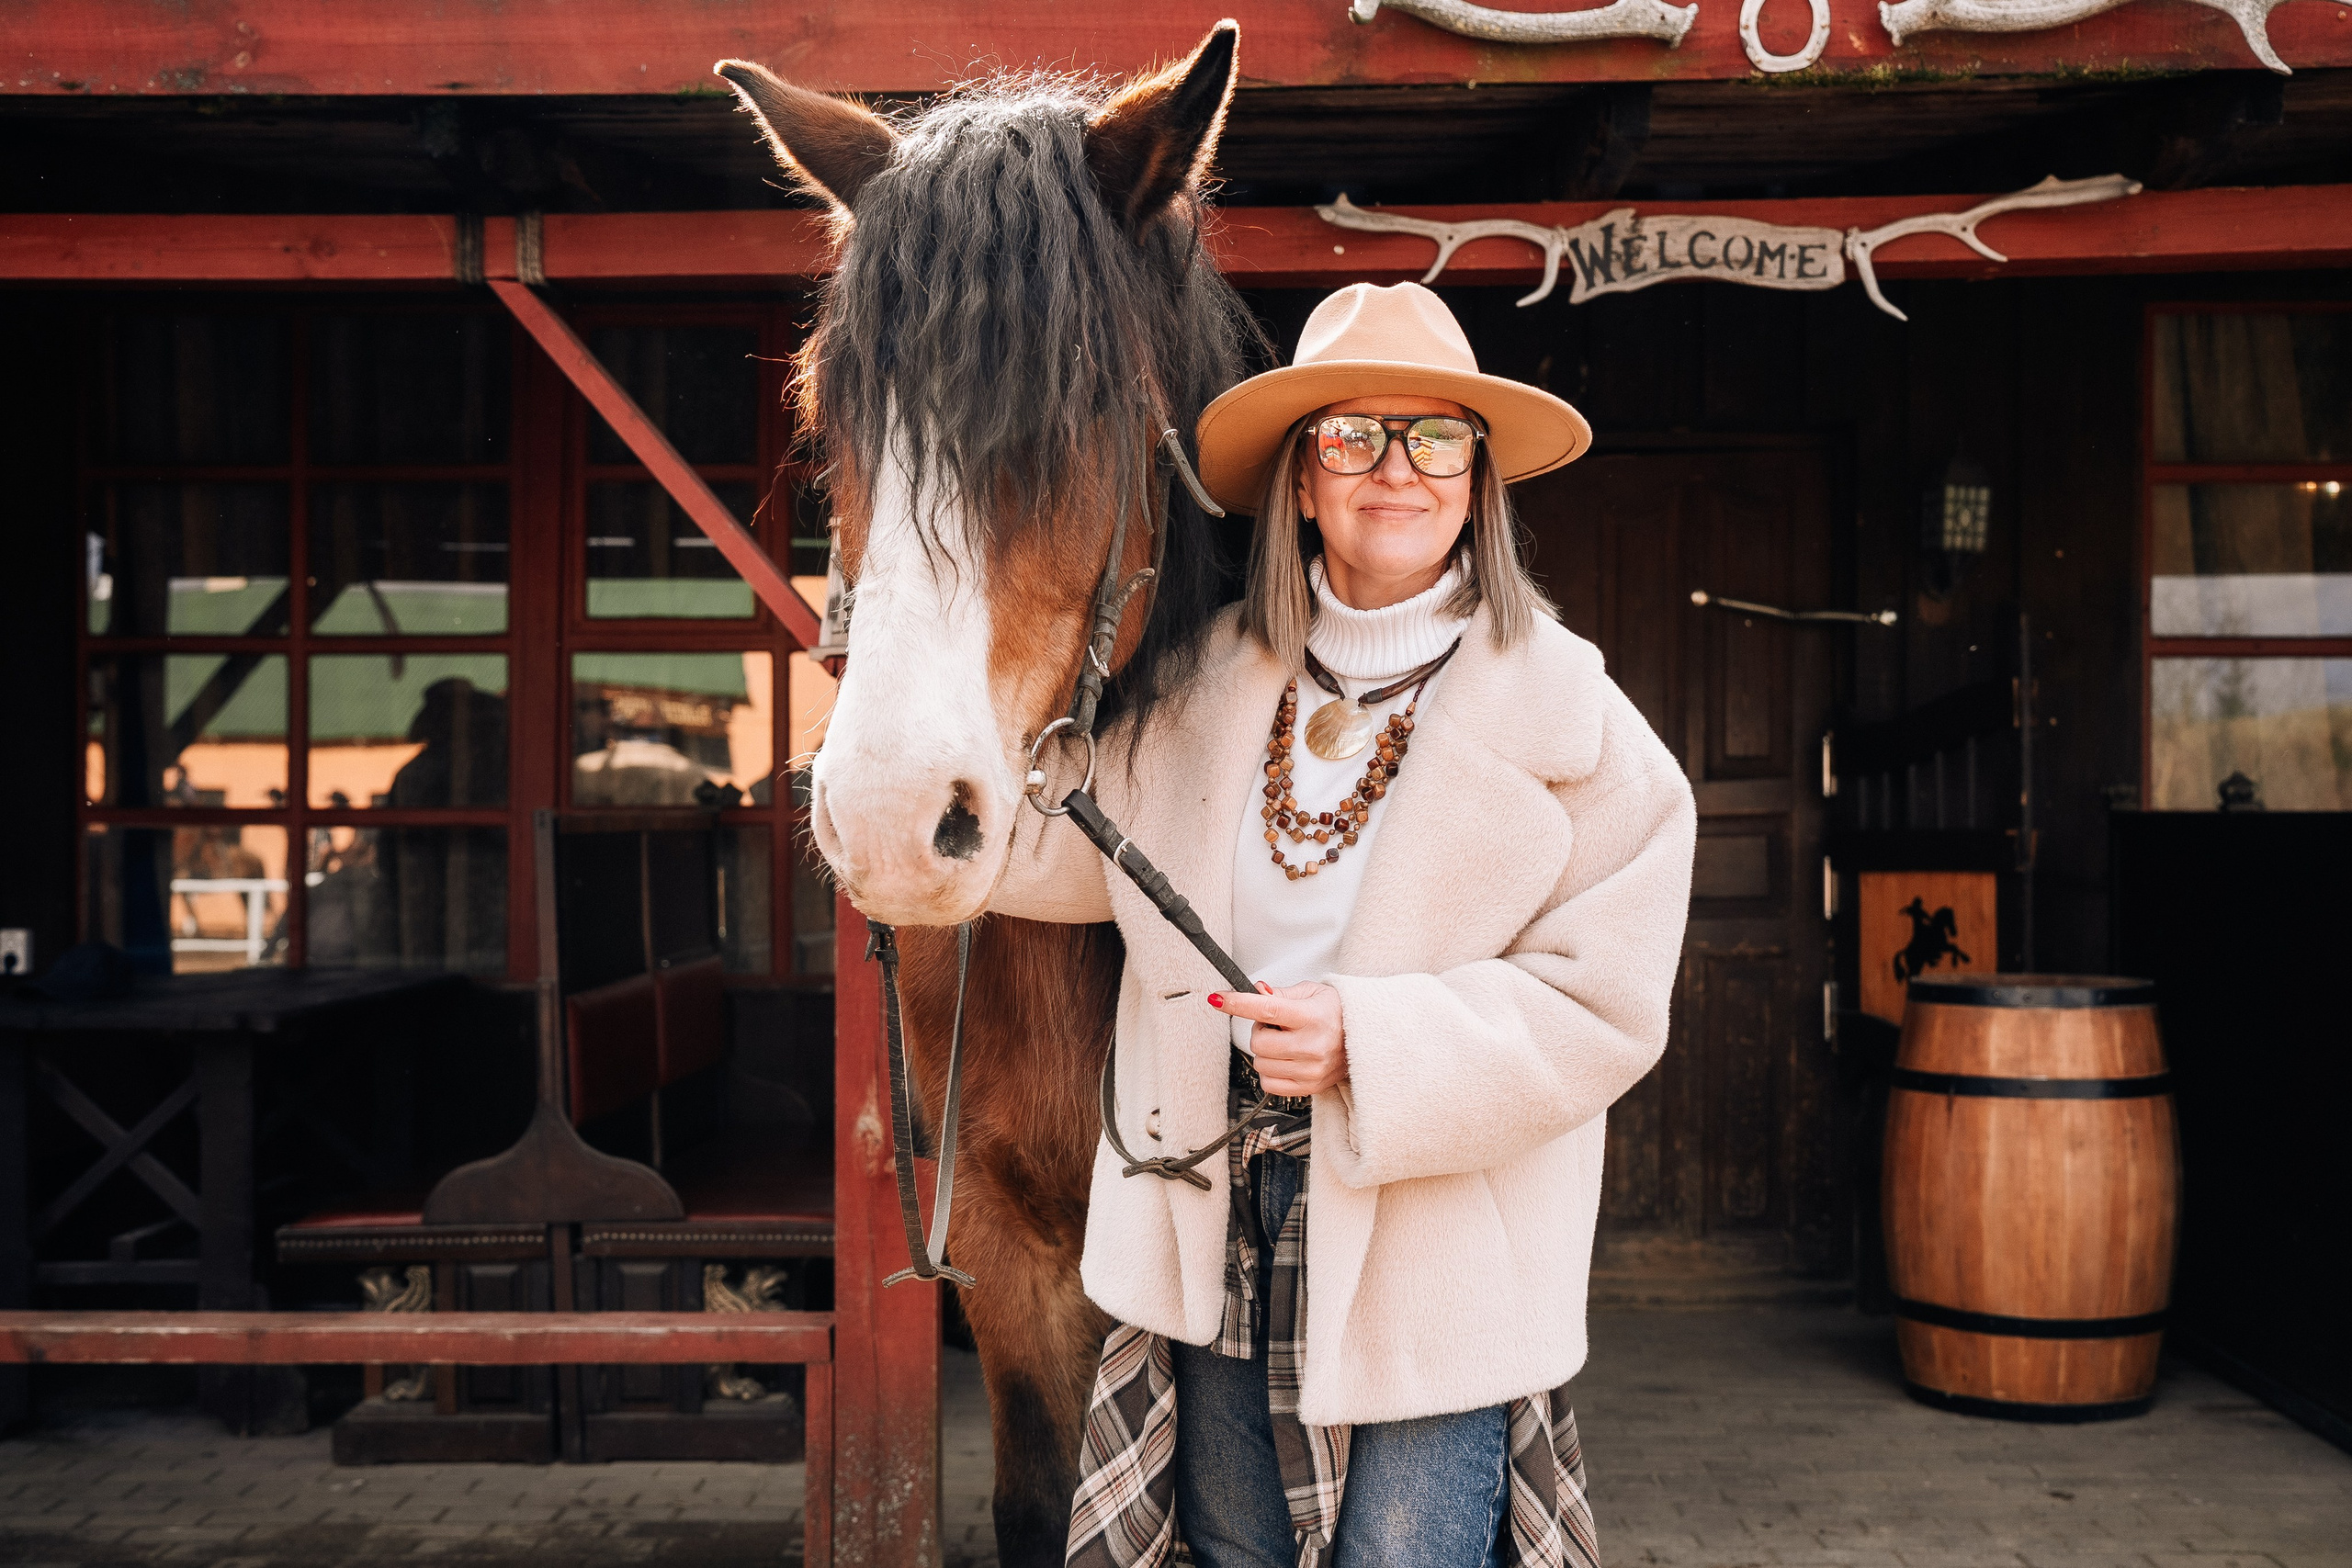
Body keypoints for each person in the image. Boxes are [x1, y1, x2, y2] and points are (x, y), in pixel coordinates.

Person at [993, 281, 1696, 1568]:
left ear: (1478, 479)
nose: (1396, 469)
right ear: (1301, 481)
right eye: (1351, 436)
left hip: (1438, 1241)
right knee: (1237, 1555)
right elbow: (1061, 854)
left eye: (1434, 437)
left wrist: (1370, 1045)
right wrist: (913, 765)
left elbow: (1605, 1007)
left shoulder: (1586, 733)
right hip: (1212, 1207)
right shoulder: (1191, 691)